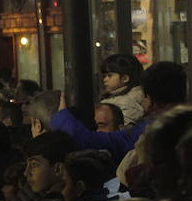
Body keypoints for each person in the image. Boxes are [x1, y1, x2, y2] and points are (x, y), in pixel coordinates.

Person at [51, 61, 187, 162]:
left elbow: (91, 141)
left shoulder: (150, 130)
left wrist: (62, 116)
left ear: (150, 100)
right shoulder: (184, 123)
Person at [99, 53, 144, 126]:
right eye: (104, 76)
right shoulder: (116, 98)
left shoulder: (126, 103)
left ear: (125, 78)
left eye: (109, 75)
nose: (105, 79)